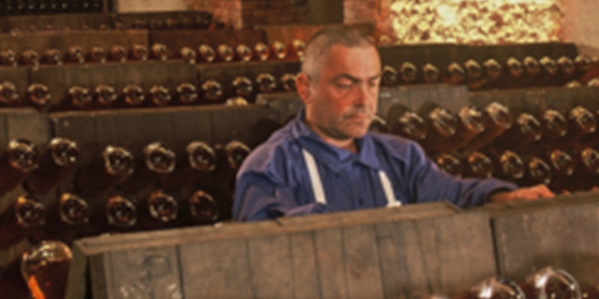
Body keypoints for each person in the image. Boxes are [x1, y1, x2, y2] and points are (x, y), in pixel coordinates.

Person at [232, 26, 555, 221]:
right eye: (346, 84)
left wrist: (504, 197)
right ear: (305, 88)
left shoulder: (402, 157)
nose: (364, 99)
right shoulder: (269, 167)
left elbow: (451, 194)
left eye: (372, 83)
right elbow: (267, 244)